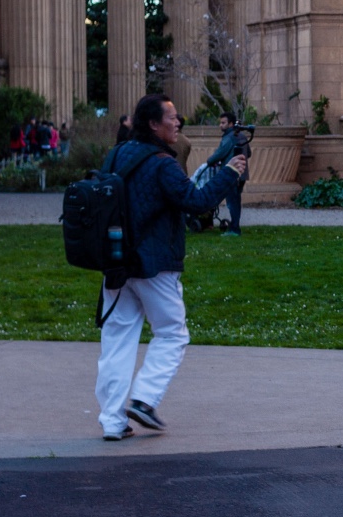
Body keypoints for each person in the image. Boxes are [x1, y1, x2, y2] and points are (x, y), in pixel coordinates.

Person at [96, 95, 247, 441]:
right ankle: (145, 400)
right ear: (153, 124)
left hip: (116, 263)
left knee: (116, 341)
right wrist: (227, 174)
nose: (178, 122)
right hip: (155, 265)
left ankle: (113, 421)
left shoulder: (115, 155)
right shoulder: (163, 164)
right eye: (173, 117)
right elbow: (196, 203)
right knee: (172, 334)